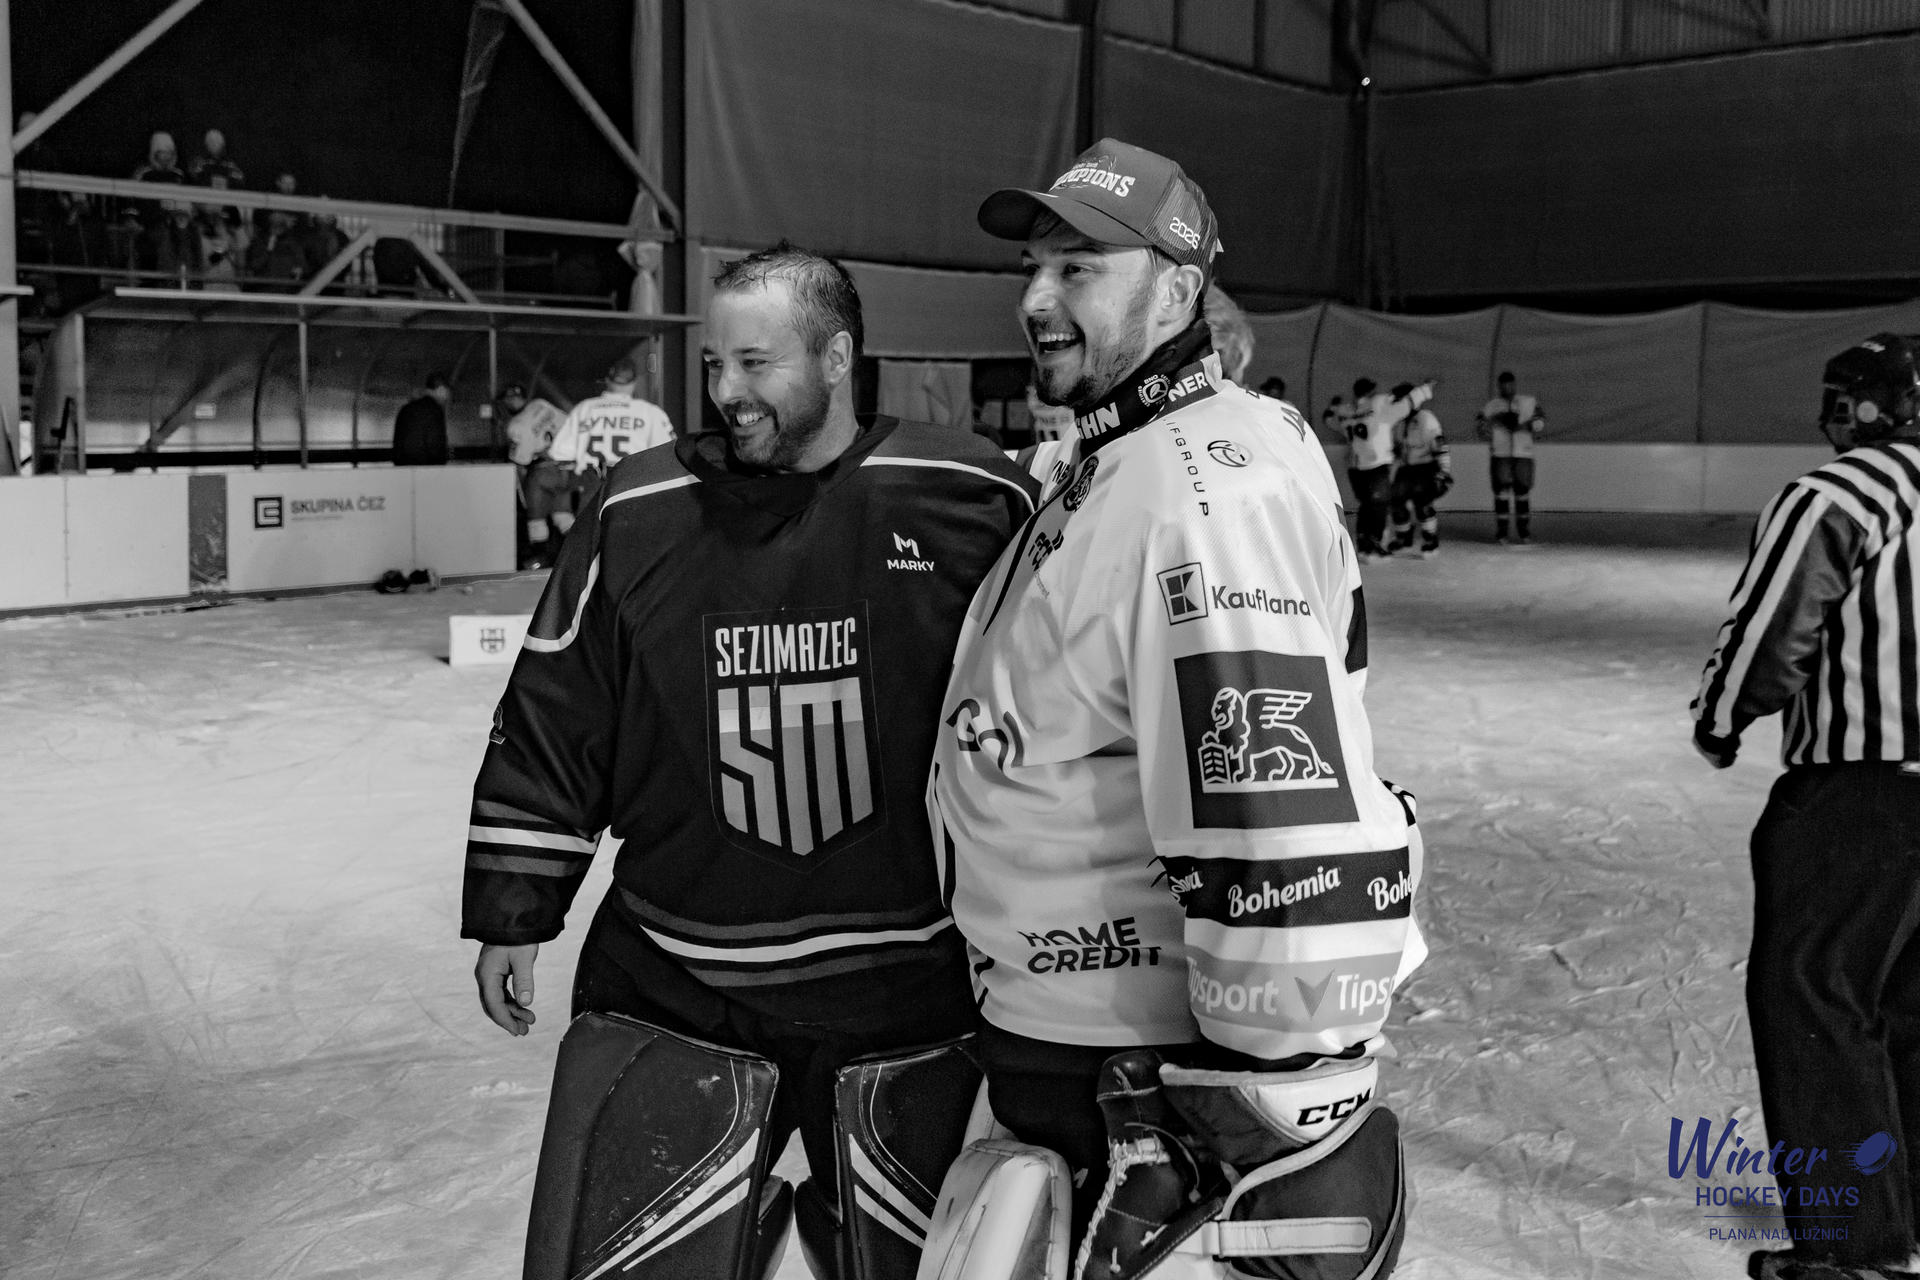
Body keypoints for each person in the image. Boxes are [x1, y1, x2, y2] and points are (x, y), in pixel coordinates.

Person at [462, 241, 1037, 1279]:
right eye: (714, 364)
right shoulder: (637, 508)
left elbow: (1056, 715)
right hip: (678, 979)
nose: (726, 391)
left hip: (913, 991)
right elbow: (560, 704)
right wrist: (516, 905)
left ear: (837, 358)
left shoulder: (973, 496)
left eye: (755, 363)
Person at [927, 138, 1424, 1280]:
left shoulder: (1203, 491)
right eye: (1033, 268)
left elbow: (1279, 813)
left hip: (1141, 1087)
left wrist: (1254, 1131)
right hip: (1071, 1036)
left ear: (1176, 290)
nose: (1035, 299)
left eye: (1078, 269)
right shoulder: (1130, 454)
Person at [1694, 333, 1920, 1280]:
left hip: (1865, 789)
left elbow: (1775, 626)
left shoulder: (1842, 491)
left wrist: (1721, 717)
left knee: (1817, 995)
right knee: (1908, 1002)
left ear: (1858, 409)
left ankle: (1854, 1245)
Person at [544, 356, 676, 489]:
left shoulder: (584, 409)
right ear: (634, 382)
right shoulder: (650, 412)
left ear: (607, 380)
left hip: (591, 487)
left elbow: (560, 454)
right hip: (632, 487)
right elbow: (667, 456)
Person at [1348, 376, 1434, 561]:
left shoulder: (1354, 410)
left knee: (1366, 505)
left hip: (1358, 466)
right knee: (1379, 505)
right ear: (1370, 391)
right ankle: (1374, 545)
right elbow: (1403, 407)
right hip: (1376, 465)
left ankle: (1363, 544)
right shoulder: (1377, 404)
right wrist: (1424, 390)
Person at [498, 382, 569, 568]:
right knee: (563, 517)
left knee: (536, 521)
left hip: (541, 470)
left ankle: (541, 560)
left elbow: (520, 462)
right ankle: (577, 556)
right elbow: (569, 423)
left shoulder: (515, 425)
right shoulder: (541, 404)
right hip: (565, 468)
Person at [1475, 369, 1545, 546]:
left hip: (1523, 454)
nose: (1506, 388)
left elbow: (1540, 423)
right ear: (1499, 386)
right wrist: (1495, 421)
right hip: (1500, 454)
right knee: (1501, 494)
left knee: (1522, 492)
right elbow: (1480, 429)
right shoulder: (1491, 406)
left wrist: (1523, 425)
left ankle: (1524, 533)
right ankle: (1502, 533)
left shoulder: (1529, 402)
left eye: (1509, 385)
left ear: (1514, 385)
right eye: (1503, 386)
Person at [1388, 383, 1453, 557]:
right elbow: (1398, 448)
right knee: (1396, 500)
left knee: (1422, 503)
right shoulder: (1400, 423)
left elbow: (1439, 444)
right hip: (1407, 469)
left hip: (1426, 468)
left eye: (1399, 400)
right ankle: (1404, 538)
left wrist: (1444, 471)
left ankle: (1430, 539)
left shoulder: (1425, 418)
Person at [391, 373, 450, 466]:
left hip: (402, 467)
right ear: (441, 389)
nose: (448, 396)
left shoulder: (406, 409)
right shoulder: (434, 410)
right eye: (447, 391)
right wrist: (441, 464)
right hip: (426, 468)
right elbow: (435, 444)